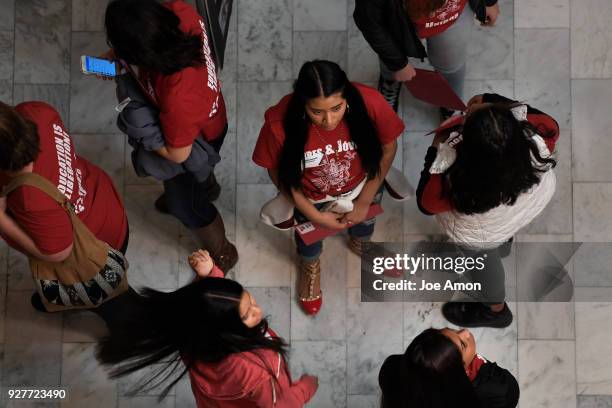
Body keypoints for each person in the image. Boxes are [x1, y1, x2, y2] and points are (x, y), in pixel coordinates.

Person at [252, 60, 404, 315]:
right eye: (316, 112)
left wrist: (365, 200)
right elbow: (278, 172)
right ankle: (310, 265)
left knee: (364, 223)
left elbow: (388, 148)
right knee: (308, 239)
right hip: (311, 199)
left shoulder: (369, 102)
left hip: (364, 185)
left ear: (347, 97)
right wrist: (314, 215)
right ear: (302, 104)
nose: (328, 120)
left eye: (337, 108)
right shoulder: (278, 123)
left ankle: (361, 243)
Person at [103, 0, 237, 271]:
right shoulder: (179, 13)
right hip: (206, 120)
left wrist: (145, 136)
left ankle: (222, 251)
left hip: (196, 138)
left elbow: (177, 154)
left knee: (187, 206)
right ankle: (207, 186)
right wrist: (120, 57)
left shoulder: (179, 96)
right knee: (197, 178)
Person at [96, 249, 319, 407]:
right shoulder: (259, 369)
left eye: (251, 301)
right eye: (247, 314)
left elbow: (200, 308)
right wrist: (304, 388)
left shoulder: (193, 334)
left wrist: (209, 276)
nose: (258, 311)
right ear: (226, 330)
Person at [416, 93, 560, 327]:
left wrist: (435, 151)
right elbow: (540, 116)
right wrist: (490, 101)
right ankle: (503, 245)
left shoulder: (458, 180)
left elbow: (426, 204)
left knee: (483, 264)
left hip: (483, 232)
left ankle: (495, 310)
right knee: (503, 232)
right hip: (525, 204)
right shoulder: (540, 130)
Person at [0, 100, 137, 324]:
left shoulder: (30, 199)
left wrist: (2, 220)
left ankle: (114, 319)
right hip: (103, 204)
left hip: (96, 251)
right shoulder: (37, 112)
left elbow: (58, 253)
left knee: (106, 301)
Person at [354, 0, 500, 116]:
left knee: (451, 63)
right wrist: (397, 64)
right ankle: (390, 81)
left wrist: (489, 2)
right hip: (396, 17)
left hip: (453, 15)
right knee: (390, 54)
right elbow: (370, 22)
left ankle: (451, 101)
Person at [379, 327, 519, 407]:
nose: (466, 332)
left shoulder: (392, 369)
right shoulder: (500, 390)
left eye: (451, 330)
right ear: (459, 372)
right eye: (463, 345)